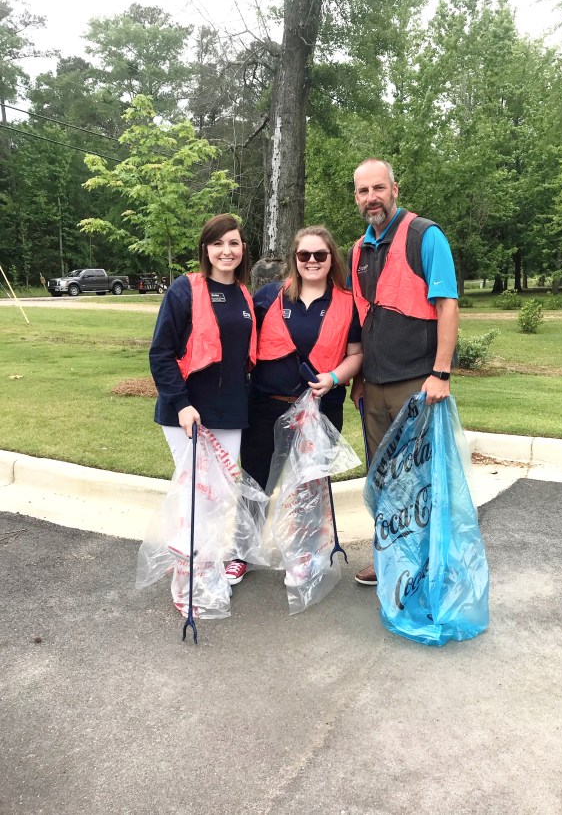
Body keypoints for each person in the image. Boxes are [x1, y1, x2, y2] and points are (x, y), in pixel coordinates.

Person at [348, 158, 459, 586]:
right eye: (363, 191)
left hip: (418, 381)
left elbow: (447, 305)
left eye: (379, 188)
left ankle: (426, 566)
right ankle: (388, 560)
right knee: (382, 477)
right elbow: (363, 318)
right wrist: (360, 377)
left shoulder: (425, 236)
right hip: (374, 385)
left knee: (420, 478)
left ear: (395, 189)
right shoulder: (358, 250)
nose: (371, 198)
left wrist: (441, 373)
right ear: (356, 197)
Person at [233, 225, 364, 585]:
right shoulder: (268, 297)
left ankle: (305, 555)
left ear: (331, 258)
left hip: (320, 409)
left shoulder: (347, 302)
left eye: (320, 254)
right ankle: (241, 552)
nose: (312, 261)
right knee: (255, 481)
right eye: (304, 254)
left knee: (310, 486)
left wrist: (334, 377)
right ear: (294, 258)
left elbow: (356, 354)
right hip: (266, 406)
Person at [149, 211, 256, 501]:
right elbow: (160, 353)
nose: (226, 251)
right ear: (205, 249)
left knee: (220, 498)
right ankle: (186, 537)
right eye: (217, 243)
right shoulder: (184, 289)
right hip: (187, 412)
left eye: (233, 243)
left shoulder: (244, 294)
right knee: (195, 498)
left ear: (243, 248)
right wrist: (181, 404)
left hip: (230, 413)